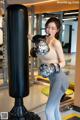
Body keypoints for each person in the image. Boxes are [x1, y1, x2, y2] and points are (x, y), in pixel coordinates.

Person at [29, 17, 69, 120]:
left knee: (48, 110)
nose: (49, 30)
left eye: (52, 28)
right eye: (47, 27)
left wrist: (53, 67)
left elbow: (63, 62)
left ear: (57, 30)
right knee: (55, 108)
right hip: (53, 80)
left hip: (60, 79)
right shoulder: (42, 40)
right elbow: (31, 36)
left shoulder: (56, 43)